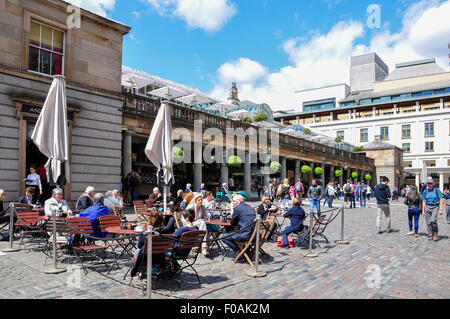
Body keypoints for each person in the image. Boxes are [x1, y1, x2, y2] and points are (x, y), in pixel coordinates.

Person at [421, 177, 444, 241]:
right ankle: (430, 235)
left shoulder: (437, 190)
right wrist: (423, 211)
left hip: (435, 206)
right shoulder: (425, 191)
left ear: (433, 183)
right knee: (428, 222)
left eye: (430, 183)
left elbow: (441, 199)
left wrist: (441, 209)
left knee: (433, 220)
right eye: (428, 183)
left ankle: (435, 234)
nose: (429, 184)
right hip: (427, 207)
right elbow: (423, 201)